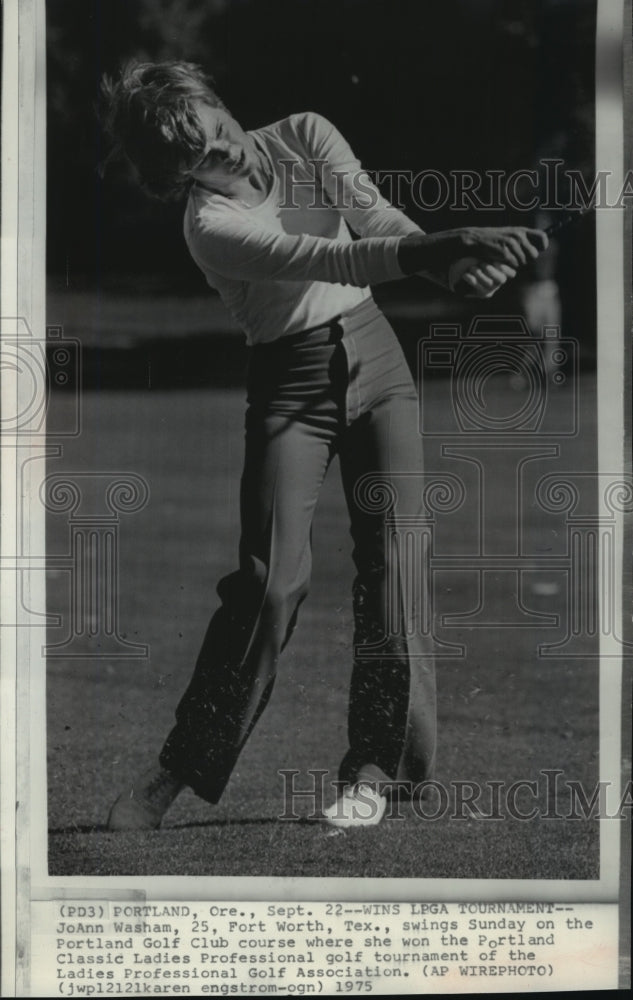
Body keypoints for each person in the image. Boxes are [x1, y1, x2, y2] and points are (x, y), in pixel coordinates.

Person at [100, 61, 547, 830]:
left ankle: (375, 772)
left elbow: (375, 224)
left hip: (378, 359)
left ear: (217, 101)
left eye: (221, 129)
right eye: (204, 157)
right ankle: (177, 767)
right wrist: (446, 242)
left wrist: (452, 263)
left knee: (397, 560)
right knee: (270, 582)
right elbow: (329, 260)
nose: (229, 153)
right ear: (180, 175)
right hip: (291, 383)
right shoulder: (210, 227)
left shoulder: (306, 134)